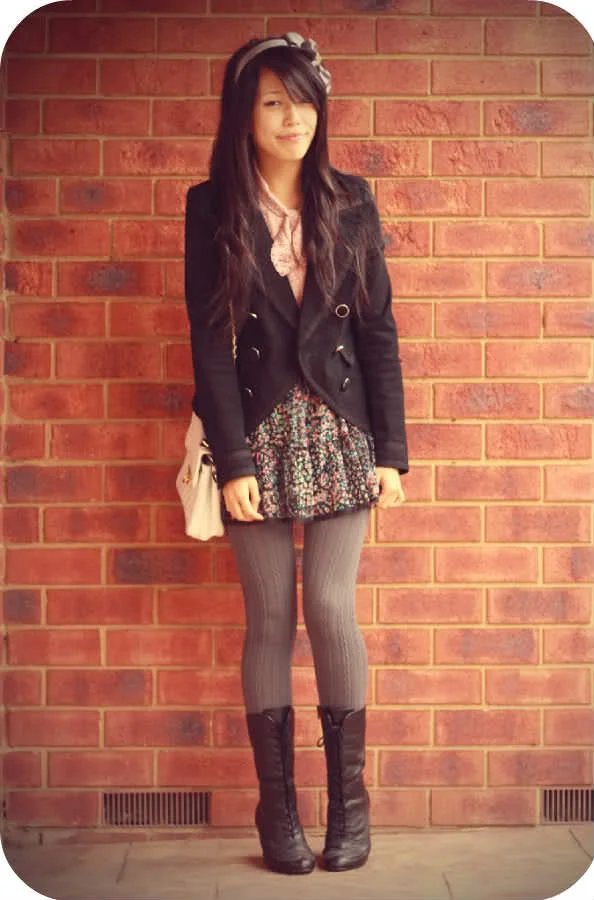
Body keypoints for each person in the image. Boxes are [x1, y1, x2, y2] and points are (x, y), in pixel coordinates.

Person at [183, 33, 408, 876]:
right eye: (274, 100)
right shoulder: (211, 208)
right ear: (245, 114)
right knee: (270, 618)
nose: (292, 117)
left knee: (330, 607)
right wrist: (233, 462)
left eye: (304, 99)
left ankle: (352, 811)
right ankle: (277, 812)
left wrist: (392, 451)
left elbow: (380, 332)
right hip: (254, 432)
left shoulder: (350, 201)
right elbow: (208, 346)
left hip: (343, 433)